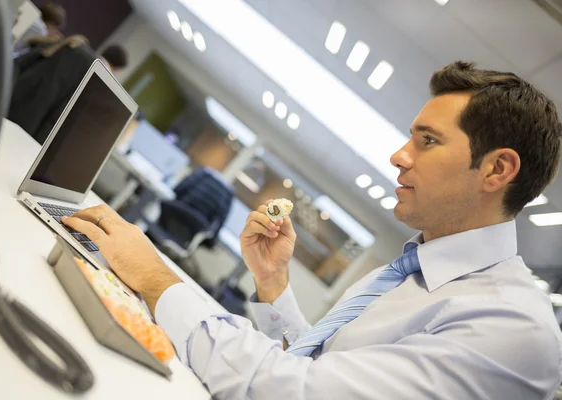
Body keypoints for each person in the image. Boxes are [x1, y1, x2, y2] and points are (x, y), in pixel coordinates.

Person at [62, 61, 562, 399]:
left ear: (497, 171)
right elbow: (322, 365)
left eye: (428, 141)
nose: (398, 156)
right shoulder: (411, 269)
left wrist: (155, 278)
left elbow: (296, 392)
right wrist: (275, 287)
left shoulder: (513, 326)